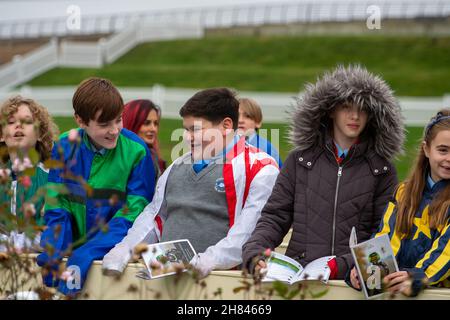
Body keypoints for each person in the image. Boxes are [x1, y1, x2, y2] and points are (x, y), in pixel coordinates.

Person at [242, 65, 405, 280]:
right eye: (346, 106)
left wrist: (344, 265)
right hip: (299, 278)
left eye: (363, 108)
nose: (355, 115)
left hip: (353, 281)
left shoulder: (382, 170)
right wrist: (255, 252)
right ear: (330, 110)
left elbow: (385, 233)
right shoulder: (300, 160)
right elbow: (275, 216)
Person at [102, 88, 280, 278]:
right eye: (185, 129)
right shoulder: (176, 166)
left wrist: (207, 261)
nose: (187, 137)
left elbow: (248, 231)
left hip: (222, 283)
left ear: (226, 125)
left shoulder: (260, 167)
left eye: (195, 129)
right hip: (163, 278)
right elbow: (153, 218)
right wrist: (124, 251)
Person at [36, 77, 156, 296]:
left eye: (119, 120)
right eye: (104, 124)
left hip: (115, 262)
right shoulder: (64, 145)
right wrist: (55, 245)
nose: (115, 130)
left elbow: (135, 212)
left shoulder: (137, 151)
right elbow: (57, 202)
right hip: (71, 254)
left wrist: (91, 250)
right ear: (80, 121)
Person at [349, 109, 450, 297]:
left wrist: (418, 276)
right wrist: (367, 272)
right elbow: (387, 237)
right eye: (443, 150)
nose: (448, 159)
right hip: (399, 289)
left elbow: (446, 253)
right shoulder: (404, 192)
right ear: (426, 149)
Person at [0, 95, 57, 252]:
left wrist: (20, 243)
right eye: (11, 122)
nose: (18, 126)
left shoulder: (50, 178)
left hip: (36, 267)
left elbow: (52, 232)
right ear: (1, 134)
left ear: (40, 134)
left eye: (27, 121)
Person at [122, 99, 167, 180]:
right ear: (131, 123)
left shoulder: (153, 155)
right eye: (146, 123)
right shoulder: (122, 160)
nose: (153, 129)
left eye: (156, 123)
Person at [238, 97, 282, 167]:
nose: (240, 120)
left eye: (247, 116)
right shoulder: (225, 147)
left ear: (258, 122)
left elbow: (278, 175)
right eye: (236, 116)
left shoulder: (267, 149)